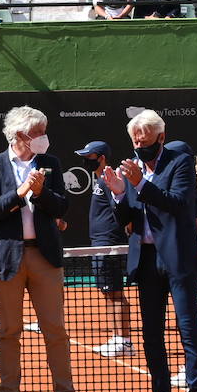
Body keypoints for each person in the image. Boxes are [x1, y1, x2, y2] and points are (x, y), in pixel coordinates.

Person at [0, 106, 89, 392]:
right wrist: (19, 192)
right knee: (9, 332)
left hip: (45, 257)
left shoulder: (51, 163)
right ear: (21, 135)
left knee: (55, 330)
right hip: (6, 261)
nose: (44, 138)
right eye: (39, 132)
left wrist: (40, 194)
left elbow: (62, 206)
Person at [101, 110, 197, 392]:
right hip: (145, 261)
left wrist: (139, 184)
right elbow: (127, 220)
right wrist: (120, 193)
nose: (140, 146)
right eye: (135, 142)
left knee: (188, 329)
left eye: (145, 141)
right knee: (151, 333)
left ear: (161, 137)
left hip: (178, 258)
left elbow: (177, 203)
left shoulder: (179, 163)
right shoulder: (131, 169)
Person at [75, 140, 134, 359]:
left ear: (101, 158)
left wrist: (126, 231)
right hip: (101, 243)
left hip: (109, 243)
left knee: (115, 293)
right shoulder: (101, 178)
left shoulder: (111, 177)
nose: (85, 161)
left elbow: (121, 207)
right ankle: (117, 338)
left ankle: (124, 341)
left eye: (89, 157)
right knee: (109, 293)